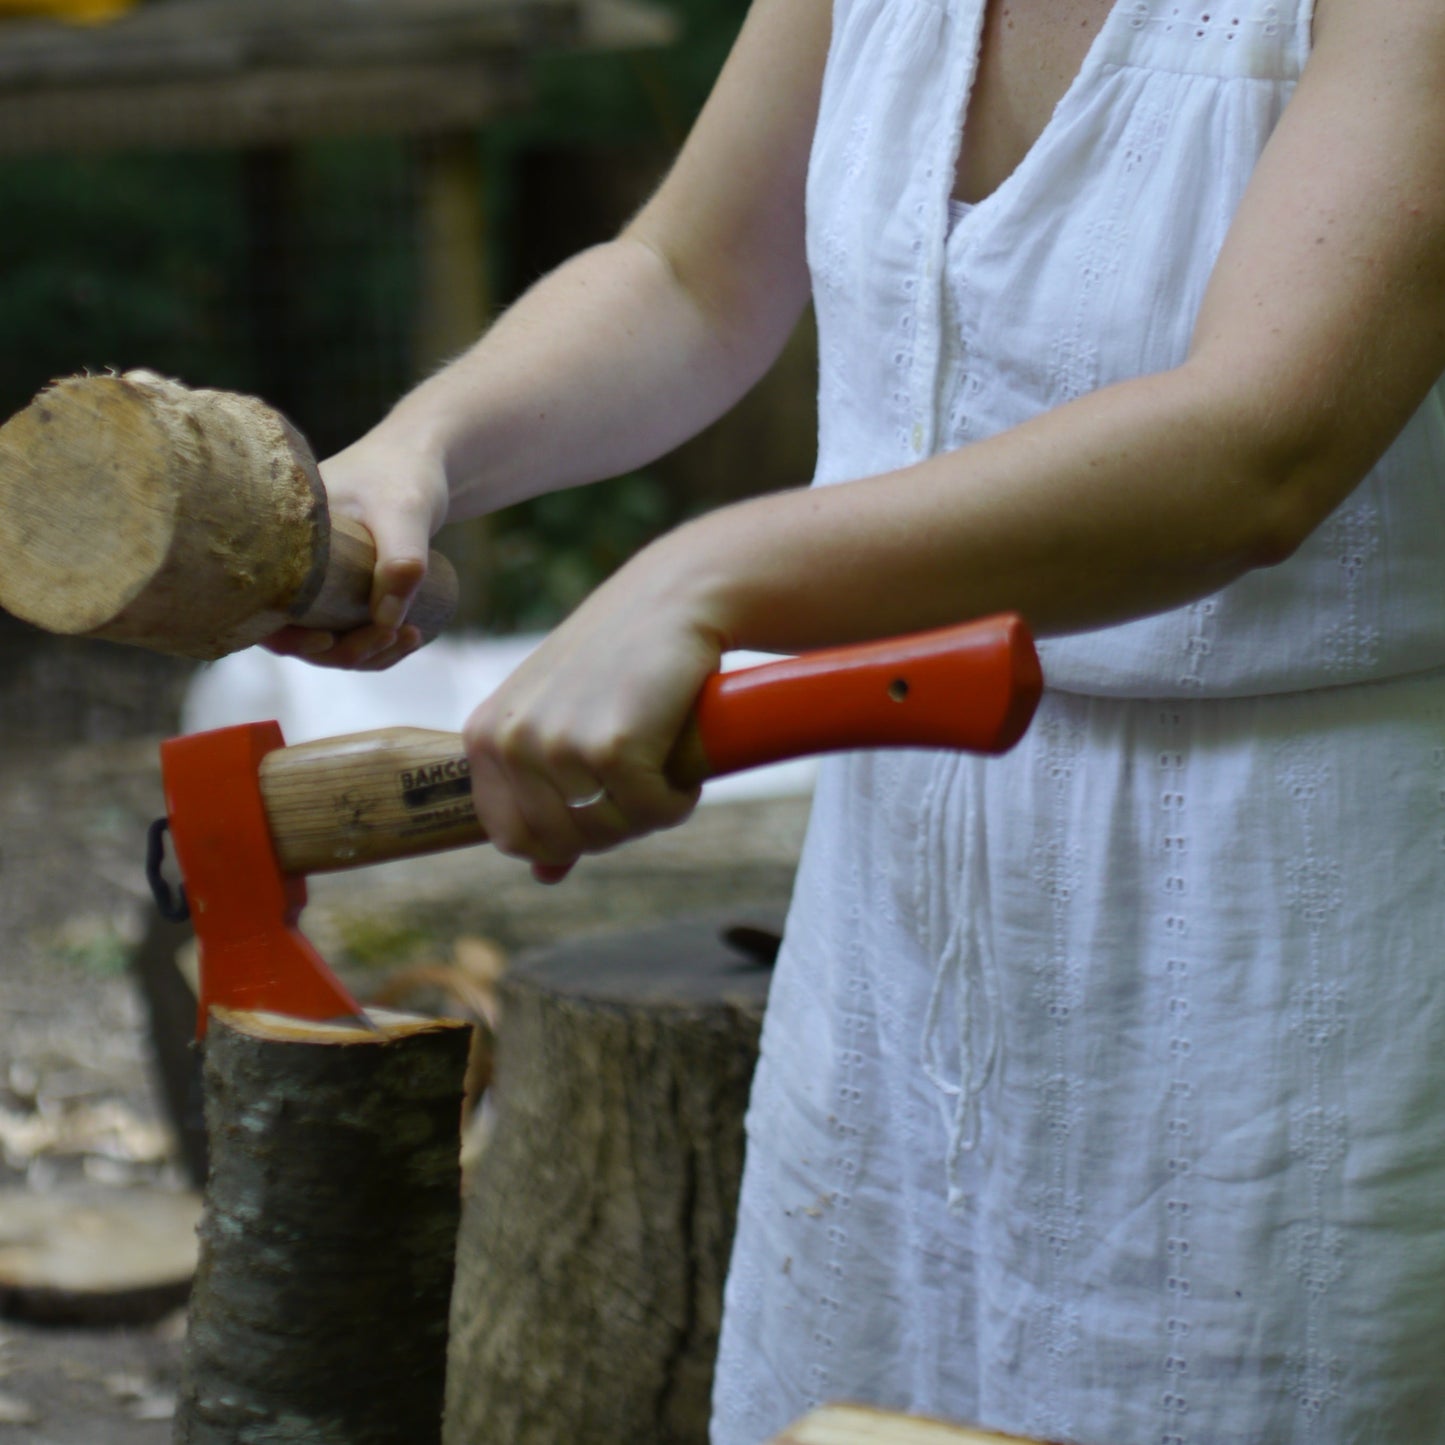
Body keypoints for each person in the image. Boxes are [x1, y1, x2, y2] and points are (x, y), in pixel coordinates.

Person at [267, 0, 1445, 1438]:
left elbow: (1261, 447)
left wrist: (706, 575)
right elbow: (689, 275)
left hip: (1293, 956)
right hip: (897, 944)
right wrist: (420, 452)